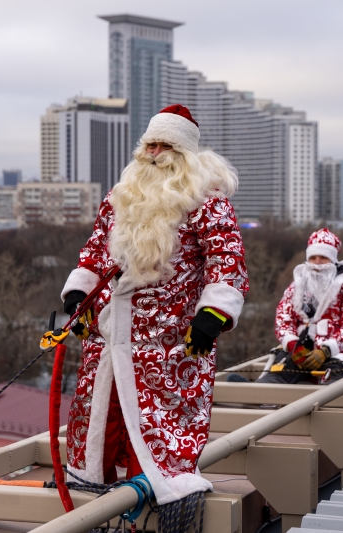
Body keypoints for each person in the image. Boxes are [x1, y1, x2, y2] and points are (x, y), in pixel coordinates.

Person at [60, 104, 249, 505]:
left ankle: (151, 507)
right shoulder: (120, 197)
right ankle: (93, 502)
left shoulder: (207, 202)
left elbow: (226, 260)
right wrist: (79, 294)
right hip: (108, 338)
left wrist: (212, 314)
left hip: (170, 345)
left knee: (158, 434)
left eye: (166, 146)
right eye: (150, 145)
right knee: (100, 425)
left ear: (184, 154)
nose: (155, 154)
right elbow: (94, 252)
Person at [258, 228, 343, 384]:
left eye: (323, 257)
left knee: (334, 378)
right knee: (278, 373)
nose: (317, 262)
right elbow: (283, 320)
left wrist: (325, 351)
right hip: (301, 352)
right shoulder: (295, 288)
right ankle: (252, 391)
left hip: (338, 353)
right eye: (313, 257)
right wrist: (293, 345)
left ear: (333, 260)